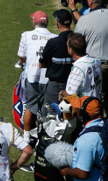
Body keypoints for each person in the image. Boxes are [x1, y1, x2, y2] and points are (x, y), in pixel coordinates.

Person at [18, 10, 56, 142]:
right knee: (47, 109)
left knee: (30, 106)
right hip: (48, 79)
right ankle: (43, 137)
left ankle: (26, 137)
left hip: (32, 77)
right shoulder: (55, 37)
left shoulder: (26, 35)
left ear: (34, 23)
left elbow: (22, 57)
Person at [75, 0, 108, 110]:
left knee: (94, 102)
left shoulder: (84, 20)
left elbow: (77, 44)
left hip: (94, 66)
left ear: (90, 1)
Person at [60, 96, 105, 180]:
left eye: (78, 109)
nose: (76, 111)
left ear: (83, 114)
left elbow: (82, 173)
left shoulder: (86, 140)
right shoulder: (105, 125)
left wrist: (66, 171)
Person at [40, 9, 74, 113]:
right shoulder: (78, 40)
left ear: (57, 23)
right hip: (74, 84)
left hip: (56, 86)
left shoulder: (53, 43)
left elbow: (42, 64)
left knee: (49, 114)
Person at [62, 32, 103, 99]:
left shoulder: (78, 68)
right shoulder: (96, 61)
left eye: (67, 46)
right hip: (96, 104)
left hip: (84, 107)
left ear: (71, 50)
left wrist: (62, 93)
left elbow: (70, 96)